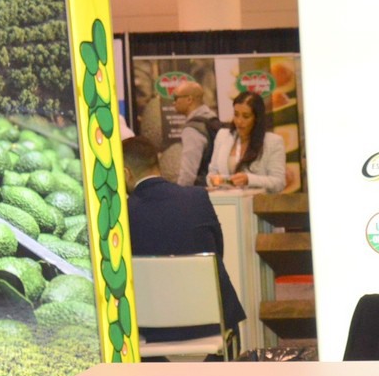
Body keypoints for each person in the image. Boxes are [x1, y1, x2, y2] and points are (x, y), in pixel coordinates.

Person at [122, 136, 247, 349]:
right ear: (157, 163)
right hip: (213, 323)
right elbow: (217, 251)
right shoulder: (197, 198)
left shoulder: (124, 214)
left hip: (150, 332)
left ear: (126, 173)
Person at [205, 91, 287, 193]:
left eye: (246, 116)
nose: (239, 121)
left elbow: (279, 183)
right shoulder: (222, 135)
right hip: (226, 201)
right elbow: (211, 174)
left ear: (257, 119)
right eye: (236, 115)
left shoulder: (273, 142)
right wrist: (215, 181)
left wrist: (249, 179)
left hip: (257, 201)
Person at [170, 79, 219, 187]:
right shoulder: (212, 119)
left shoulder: (192, 129)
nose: (174, 102)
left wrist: (181, 193)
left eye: (176, 98)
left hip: (201, 189)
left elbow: (188, 172)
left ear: (189, 99)